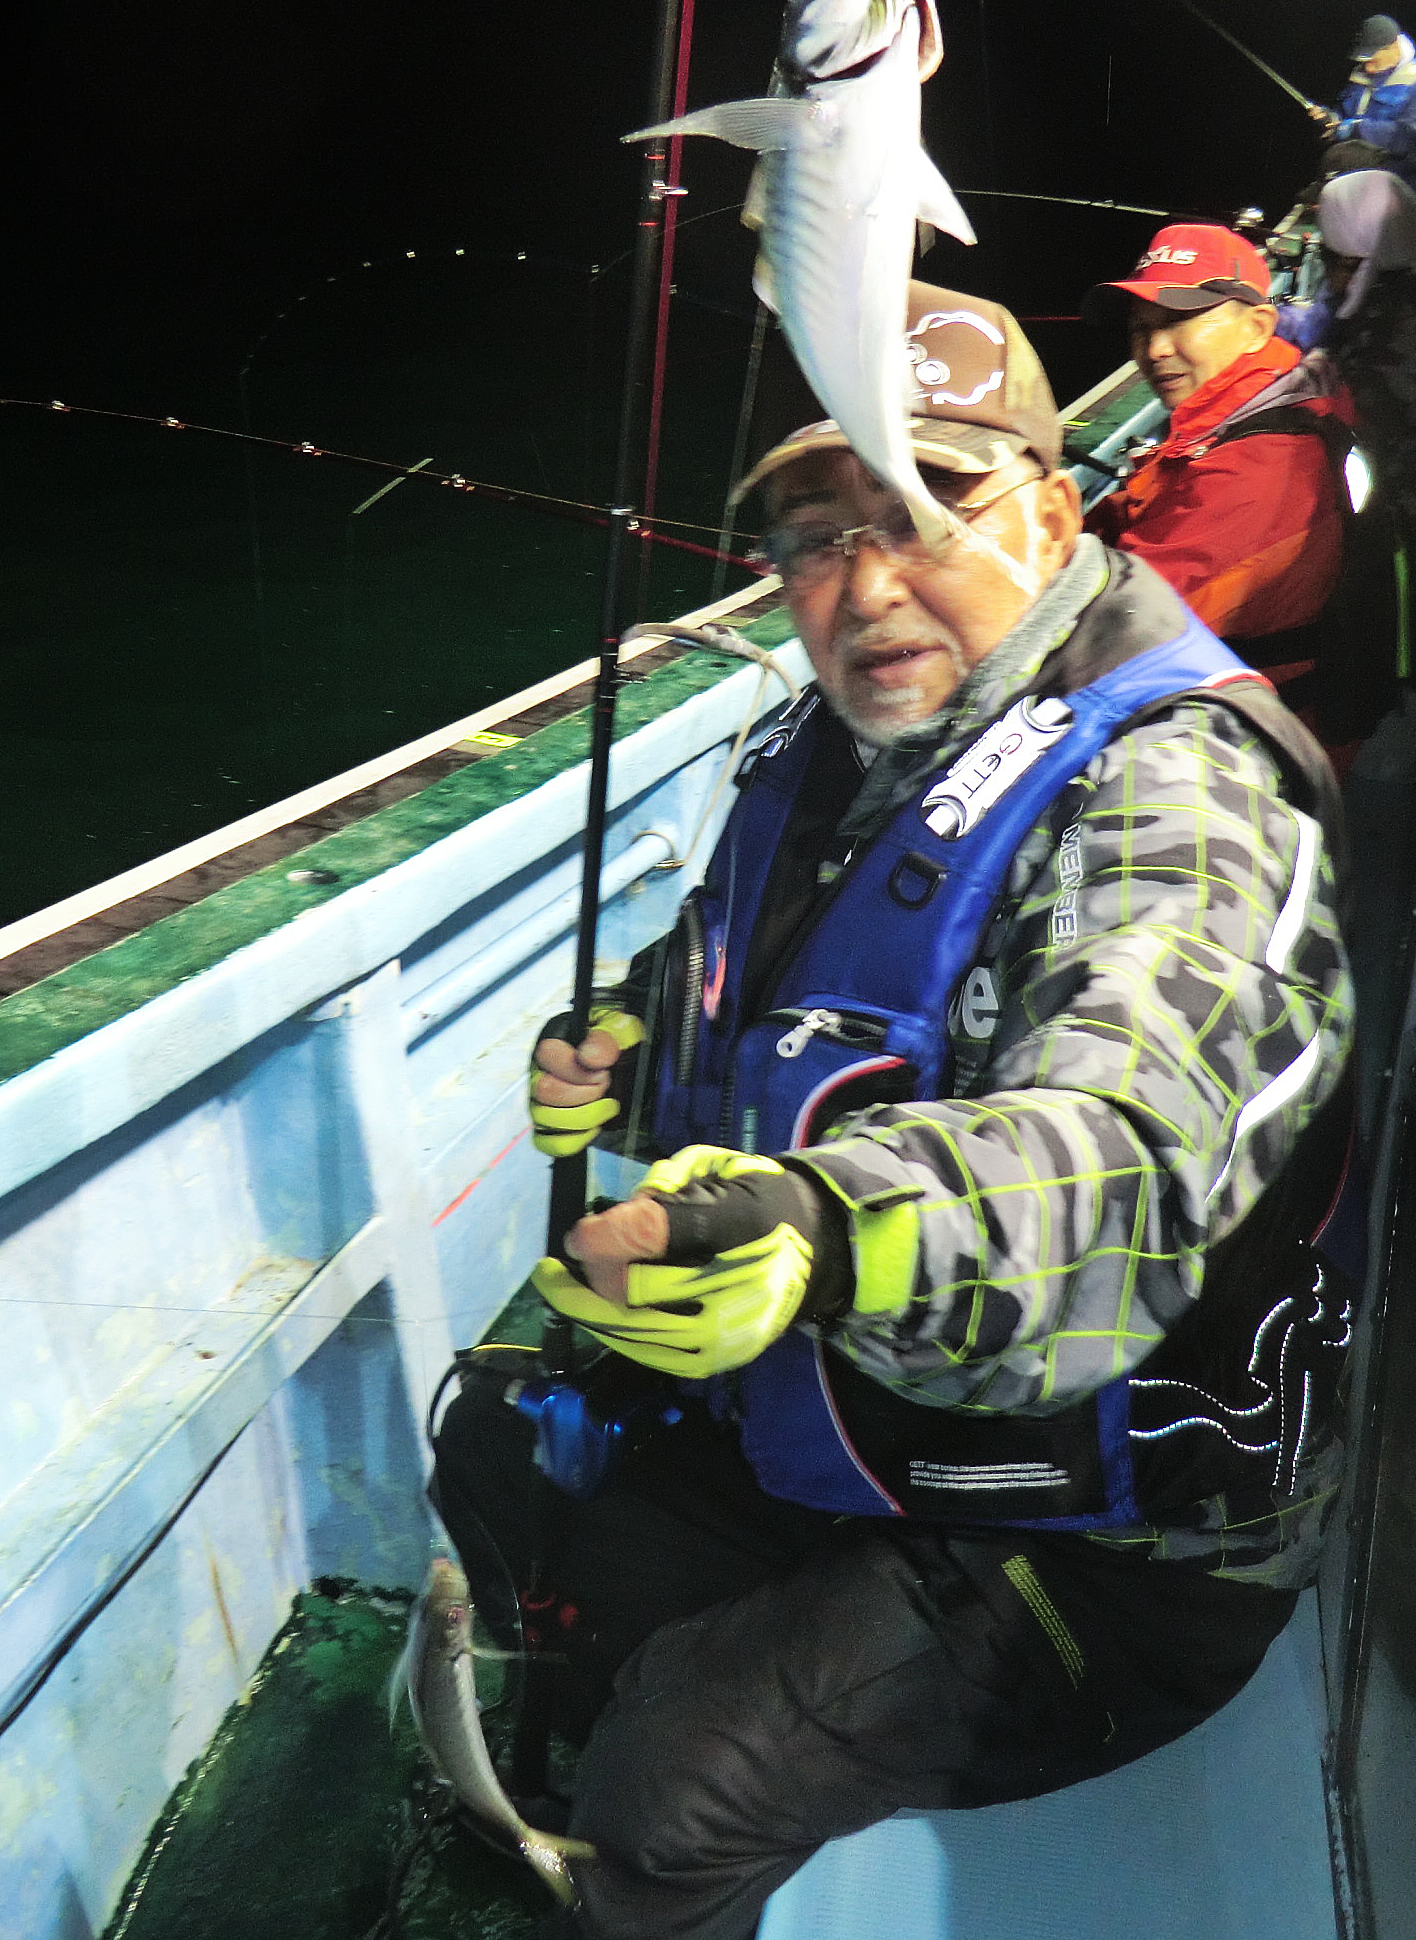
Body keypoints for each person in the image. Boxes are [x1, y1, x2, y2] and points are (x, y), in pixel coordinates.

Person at [433, 281, 1359, 1940]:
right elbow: (785, 1001)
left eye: (928, 512)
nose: (864, 588)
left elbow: (1122, 1153)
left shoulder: (1184, 791)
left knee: (684, 1780)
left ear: (1055, 512)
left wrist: (828, 1229)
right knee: (515, 1474)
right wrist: (638, 1049)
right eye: (814, 539)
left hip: (1111, 1546)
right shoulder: (855, 733)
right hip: (865, 1419)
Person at [1078, 221, 1389, 749]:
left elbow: (1117, 636)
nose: (1154, 349)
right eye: (1140, 327)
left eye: (1179, 320)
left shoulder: (1262, 465)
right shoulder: (1257, 405)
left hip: (1246, 750)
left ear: (1257, 325)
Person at [1311, 169, 1416, 675]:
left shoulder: (1398, 331)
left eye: (1329, 258)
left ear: (1360, 259)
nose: (1326, 274)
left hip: (1405, 546)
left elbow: (1394, 449)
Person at [1329, 13, 1416, 177]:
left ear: (1393, 47)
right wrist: (1331, 119)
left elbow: (1409, 137)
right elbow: (1345, 113)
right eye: (1364, 62)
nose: (1367, 68)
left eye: (1373, 60)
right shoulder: (1360, 74)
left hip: (1395, 176)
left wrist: (1356, 129)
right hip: (1351, 168)